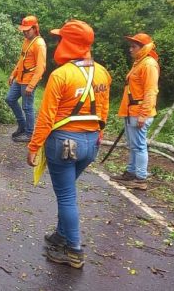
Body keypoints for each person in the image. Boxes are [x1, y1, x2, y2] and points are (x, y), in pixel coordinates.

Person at [26, 19, 111, 269]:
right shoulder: (103, 72)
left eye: (61, 39)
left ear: (70, 43)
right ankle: (60, 236)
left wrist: (33, 147)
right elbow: (103, 111)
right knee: (68, 193)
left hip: (64, 143)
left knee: (66, 197)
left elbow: (46, 117)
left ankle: (73, 250)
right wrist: (98, 136)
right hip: (90, 144)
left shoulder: (61, 75)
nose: (58, 43)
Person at [111, 33, 159, 190]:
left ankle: (140, 178)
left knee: (139, 146)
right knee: (133, 145)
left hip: (139, 112)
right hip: (132, 111)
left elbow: (151, 91)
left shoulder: (148, 64)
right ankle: (131, 173)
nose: (130, 49)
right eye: (130, 46)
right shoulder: (139, 62)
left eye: (134, 46)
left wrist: (143, 115)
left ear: (143, 48)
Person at [7, 15, 47, 142]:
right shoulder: (26, 41)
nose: (25, 32)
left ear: (35, 28)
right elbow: (21, 59)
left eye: (27, 30)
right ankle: (22, 126)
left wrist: (31, 85)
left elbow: (41, 68)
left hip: (29, 80)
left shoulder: (39, 44)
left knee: (27, 107)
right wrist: (13, 74)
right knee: (10, 99)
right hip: (20, 78)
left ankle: (30, 134)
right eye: (23, 30)